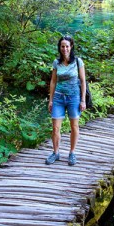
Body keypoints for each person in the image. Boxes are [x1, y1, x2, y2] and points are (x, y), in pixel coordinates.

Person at [46, 35, 86, 166]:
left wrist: (83, 100)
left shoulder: (78, 62)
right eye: (62, 46)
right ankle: (56, 153)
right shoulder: (56, 63)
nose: (65, 49)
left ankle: (72, 153)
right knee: (55, 127)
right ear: (60, 47)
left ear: (71, 47)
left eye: (67, 46)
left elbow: (83, 81)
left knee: (74, 126)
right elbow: (53, 81)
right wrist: (51, 100)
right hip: (58, 98)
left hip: (74, 98)